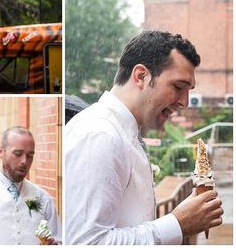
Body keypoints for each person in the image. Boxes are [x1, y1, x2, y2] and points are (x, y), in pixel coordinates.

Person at [65, 31, 224, 244]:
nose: (185, 102)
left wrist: (183, 217)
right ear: (141, 76)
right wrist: (177, 224)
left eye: (188, 91)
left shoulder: (122, 132)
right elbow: (86, 243)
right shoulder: (100, 135)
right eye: (178, 87)